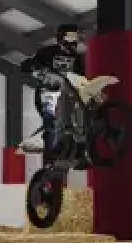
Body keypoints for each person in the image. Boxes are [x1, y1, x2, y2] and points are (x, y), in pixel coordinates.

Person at [18, 24, 85, 165]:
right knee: (51, 124)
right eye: (71, 37)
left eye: (76, 37)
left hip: (69, 96)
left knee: (78, 121)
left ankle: (78, 152)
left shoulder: (78, 58)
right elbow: (26, 65)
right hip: (48, 94)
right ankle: (50, 156)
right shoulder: (47, 52)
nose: (74, 41)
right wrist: (37, 69)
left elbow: (83, 78)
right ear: (61, 38)